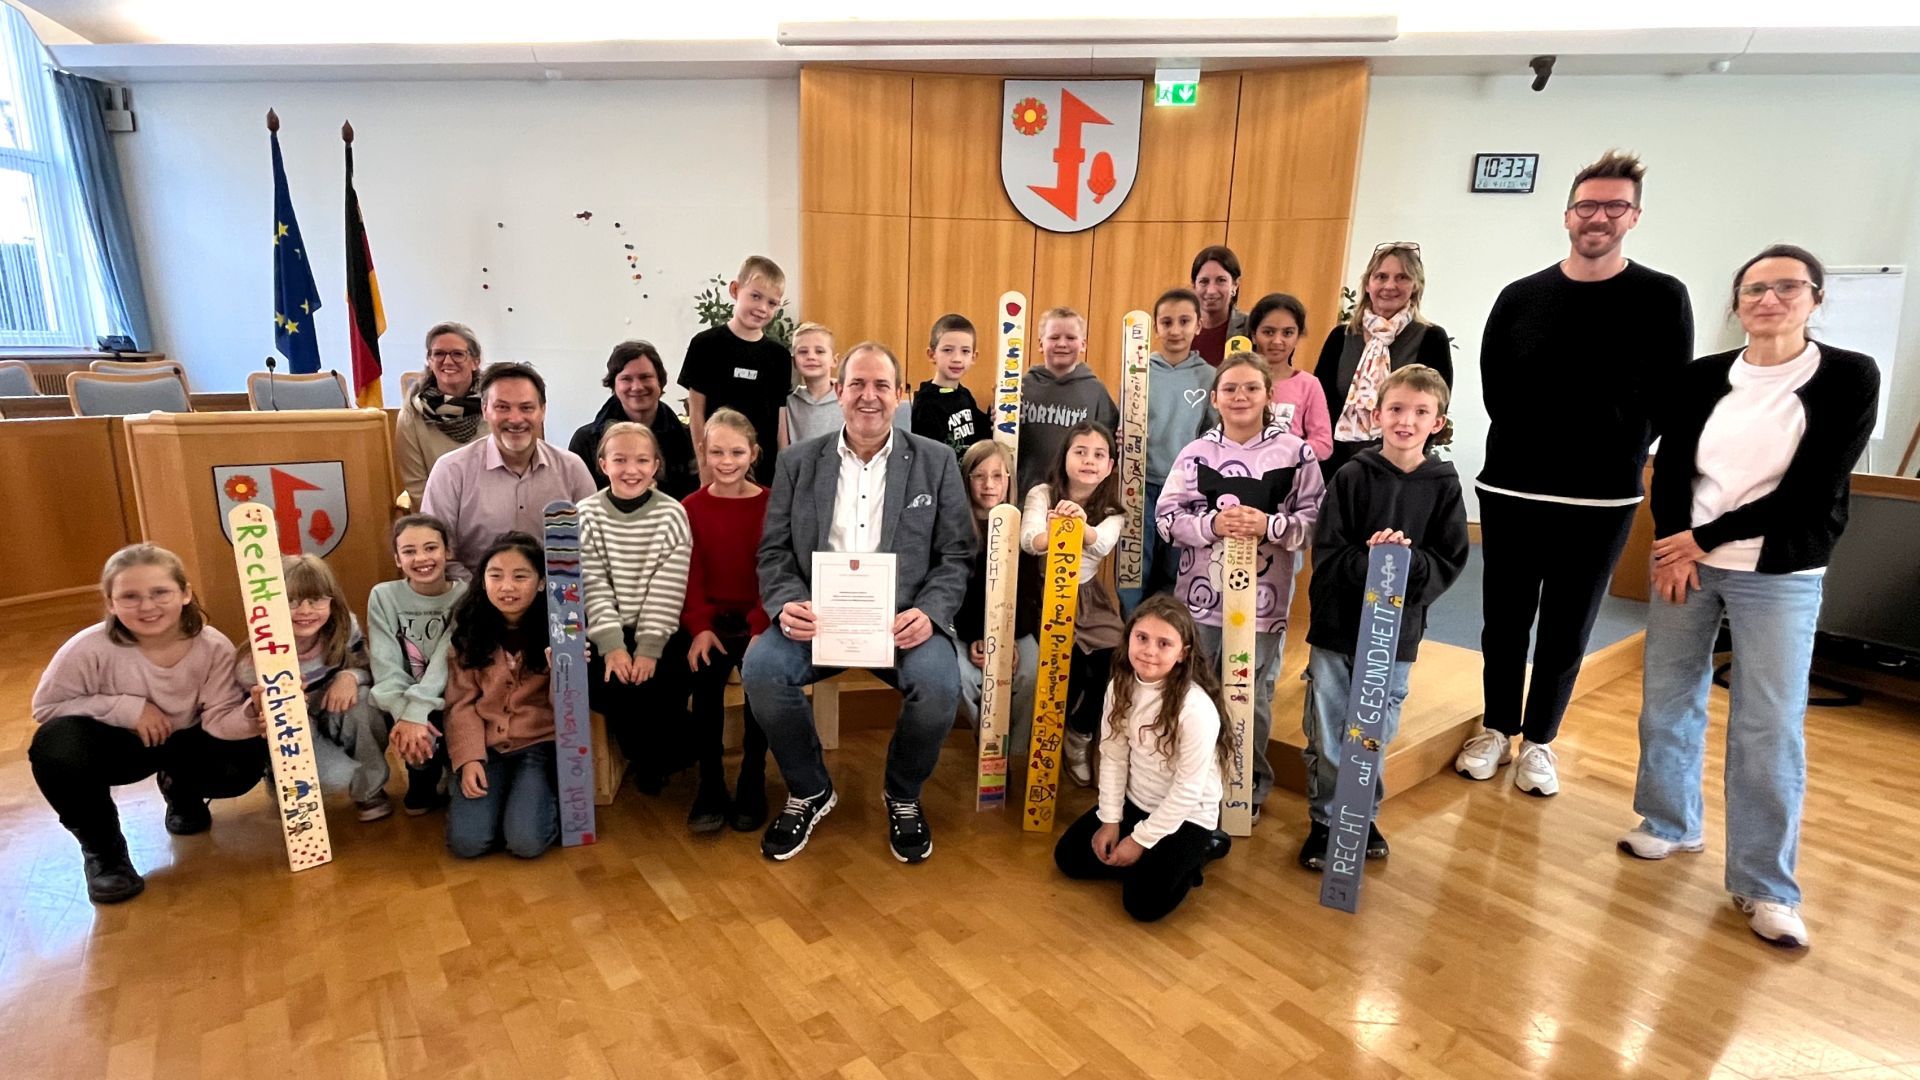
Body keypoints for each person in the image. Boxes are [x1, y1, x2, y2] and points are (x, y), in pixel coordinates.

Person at [1622, 245, 1878, 951]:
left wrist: (1699, 540)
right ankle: (1670, 822)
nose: (1769, 300)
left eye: (1787, 287)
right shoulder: (1703, 376)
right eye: (1755, 289)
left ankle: (1765, 884)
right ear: (1736, 304)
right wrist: (1672, 542)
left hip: (1780, 573)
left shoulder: (1849, 375)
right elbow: (1673, 465)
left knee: (1768, 725)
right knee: (1667, 698)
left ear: (1816, 298)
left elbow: (1814, 486)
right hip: (1687, 561)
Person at [1458, 150, 1696, 796]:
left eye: (1614, 206)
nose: (1599, 217)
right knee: (1504, 621)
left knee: (1568, 627)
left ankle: (1540, 740)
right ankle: (1496, 727)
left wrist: (1619, 447)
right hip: (1512, 486)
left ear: (1634, 217)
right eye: (1587, 205)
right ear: (1568, 215)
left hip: (1601, 496)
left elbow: (1669, 395)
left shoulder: (1662, 297)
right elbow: (1495, 386)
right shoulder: (1521, 297)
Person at [743, 342, 973, 864]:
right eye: (858, 385)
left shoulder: (936, 461)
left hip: (902, 622)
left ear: (900, 393)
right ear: (840, 391)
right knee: (762, 669)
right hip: (818, 621)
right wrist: (787, 603)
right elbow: (774, 550)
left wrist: (930, 613)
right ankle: (810, 788)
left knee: (941, 685)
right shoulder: (798, 462)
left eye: (881, 385)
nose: (869, 396)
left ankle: (902, 792)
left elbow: (956, 553)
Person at [1299, 365, 1468, 869]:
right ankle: (1325, 820)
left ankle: (1360, 815)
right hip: (1338, 628)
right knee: (1329, 727)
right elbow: (1328, 552)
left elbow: (1449, 559)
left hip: (1397, 636)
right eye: (1395, 409)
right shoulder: (1352, 476)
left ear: (1437, 422)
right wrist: (1372, 561)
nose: (1406, 421)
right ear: (1376, 415)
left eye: (1420, 412)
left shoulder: (1443, 485)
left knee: (1373, 728)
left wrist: (1404, 564)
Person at [30, 545, 265, 903]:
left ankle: (181, 790)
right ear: (110, 603)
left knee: (242, 761)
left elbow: (219, 718)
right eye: (130, 596)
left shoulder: (213, 646)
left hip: (189, 742)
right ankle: (105, 855)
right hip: (121, 747)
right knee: (56, 747)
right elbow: (47, 707)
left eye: (160, 592)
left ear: (185, 593)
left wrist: (252, 714)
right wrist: (128, 709)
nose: (147, 606)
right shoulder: (87, 648)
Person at [1157, 351, 1324, 822]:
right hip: (1199, 601)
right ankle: (1191, 782)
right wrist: (1212, 525)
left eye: (1251, 387)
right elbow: (1166, 519)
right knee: (1192, 690)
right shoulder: (1196, 454)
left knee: (1252, 695)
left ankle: (1245, 786)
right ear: (1215, 398)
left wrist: (1269, 525)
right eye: (1230, 388)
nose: (1240, 396)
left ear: (1269, 395)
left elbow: (1315, 523)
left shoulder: (1296, 453)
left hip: (1262, 605)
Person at [1052, 594, 1231, 922]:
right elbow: (1113, 756)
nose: (1149, 650)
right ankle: (1148, 864)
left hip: (1188, 816)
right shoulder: (1119, 686)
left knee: (1143, 905)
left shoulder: (1196, 709)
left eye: (1164, 644)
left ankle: (1199, 852)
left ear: (1183, 653)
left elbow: (1187, 791)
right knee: (1069, 858)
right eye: (1142, 638)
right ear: (1129, 638)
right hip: (1137, 802)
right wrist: (1110, 821)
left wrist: (1138, 841)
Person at [577, 422, 695, 803]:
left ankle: (661, 756)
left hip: (660, 628)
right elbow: (592, 583)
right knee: (607, 681)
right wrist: (613, 645)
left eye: (642, 461)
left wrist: (648, 648)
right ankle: (647, 753)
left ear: (656, 465)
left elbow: (668, 587)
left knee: (664, 679)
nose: (631, 470)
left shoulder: (672, 514)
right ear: (603, 465)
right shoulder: (586, 514)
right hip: (606, 628)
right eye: (620, 460)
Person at [236, 554, 392, 822]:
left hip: (335, 712)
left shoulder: (344, 628)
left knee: (365, 700)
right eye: (292, 601)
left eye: (316, 599)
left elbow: (369, 668)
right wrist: (267, 706)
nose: (306, 610)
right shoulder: (254, 661)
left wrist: (350, 676)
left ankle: (369, 790)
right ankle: (287, 787)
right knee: (334, 775)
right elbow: (252, 716)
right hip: (298, 728)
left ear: (332, 600)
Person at [683, 408, 775, 833]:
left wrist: (761, 626)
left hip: (761, 622)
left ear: (753, 453)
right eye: (717, 451)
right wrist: (700, 627)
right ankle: (711, 783)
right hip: (711, 623)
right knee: (704, 686)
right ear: (703, 451)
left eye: (736, 452)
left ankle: (753, 777)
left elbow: (775, 570)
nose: (726, 461)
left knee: (761, 683)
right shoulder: (690, 508)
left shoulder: (772, 504)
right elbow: (689, 575)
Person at [1021, 422, 1126, 787]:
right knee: (1070, 669)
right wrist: (1051, 534)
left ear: (1109, 466)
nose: (1089, 461)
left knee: (1115, 660)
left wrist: (1080, 526)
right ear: (1064, 457)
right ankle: (1047, 742)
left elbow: (1103, 543)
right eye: (1080, 452)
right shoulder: (1042, 493)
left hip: (1088, 598)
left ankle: (1079, 734)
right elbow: (1029, 539)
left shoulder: (1112, 509)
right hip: (1044, 596)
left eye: (1098, 455)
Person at [421, 361, 597, 579]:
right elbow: (436, 553)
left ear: (542, 411)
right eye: (502, 407)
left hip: (557, 594)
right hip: (474, 593)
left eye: (526, 408)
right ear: (485, 410)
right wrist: (484, 591)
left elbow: (593, 549)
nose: (515, 419)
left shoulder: (572, 469)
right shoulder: (451, 471)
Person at [444, 533, 561, 859]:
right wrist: (469, 759)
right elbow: (461, 704)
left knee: (525, 843)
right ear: (483, 581)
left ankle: (535, 804)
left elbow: (566, 708)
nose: (507, 587)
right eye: (496, 576)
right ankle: (499, 804)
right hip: (487, 749)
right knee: (467, 843)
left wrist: (563, 672)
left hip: (536, 748)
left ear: (541, 583)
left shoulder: (558, 632)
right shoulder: (470, 632)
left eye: (520, 577)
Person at [1315, 243, 1454, 483]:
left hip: (1401, 470)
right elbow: (1319, 405)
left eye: (1402, 277)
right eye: (1381, 277)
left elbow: (1435, 407)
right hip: (1336, 468)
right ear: (1368, 284)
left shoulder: (1431, 338)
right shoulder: (1341, 337)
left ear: (1416, 286)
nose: (1390, 285)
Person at [368, 514, 466, 816]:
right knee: (384, 712)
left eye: (430, 548)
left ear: (448, 551)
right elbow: (385, 664)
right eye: (409, 551)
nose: (421, 558)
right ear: (397, 559)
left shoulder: (466, 595)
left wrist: (417, 711)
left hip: (450, 698)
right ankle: (421, 770)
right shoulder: (383, 596)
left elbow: (445, 660)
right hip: (404, 702)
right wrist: (406, 717)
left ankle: (449, 767)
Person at [1127, 287, 1214, 611]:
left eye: (1184, 321)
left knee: (1175, 566)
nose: (1175, 330)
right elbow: (1125, 422)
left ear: (1198, 325)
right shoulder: (1138, 371)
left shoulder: (1210, 376)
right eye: (1167, 322)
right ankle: (1132, 627)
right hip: (1139, 485)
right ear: (1156, 327)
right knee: (1135, 567)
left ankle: (1168, 630)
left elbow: (1213, 434)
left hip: (1186, 490)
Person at [954, 440, 1039, 751]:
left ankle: (1013, 752)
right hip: (966, 631)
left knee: (1031, 672)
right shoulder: (955, 529)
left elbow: (1028, 594)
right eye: (979, 476)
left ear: (1009, 480)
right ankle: (988, 743)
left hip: (1014, 630)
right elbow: (956, 595)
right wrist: (978, 638)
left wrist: (1007, 640)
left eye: (997, 476)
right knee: (962, 676)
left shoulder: (1021, 528)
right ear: (967, 480)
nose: (989, 485)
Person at [681, 255, 791, 485]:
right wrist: (704, 465)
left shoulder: (779, 356)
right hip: (718, 466)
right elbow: (696, 412)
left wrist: (784, 468)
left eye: (772, 303)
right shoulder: (705, 344)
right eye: (755, 296)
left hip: (764, 473)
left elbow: (780, 419)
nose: (762, 308)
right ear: (735, 290)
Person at [567, 340, 699, 500]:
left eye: (645, 377)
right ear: (614, 385)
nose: (637, 387)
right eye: (626, 379)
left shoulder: (688, 439)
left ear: (660, 381)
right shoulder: (586, 442)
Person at [1018, 307, 1119, 496]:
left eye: (1071, 338)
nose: (1062, 344)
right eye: (1054, 337)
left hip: (1077, 497)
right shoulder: (1021, 388)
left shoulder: (1096, 392)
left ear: (1083, 344)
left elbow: (1110, 448)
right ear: (1040, 343)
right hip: (1024, 492)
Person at [394, 322, 489, 506]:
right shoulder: (412, 414)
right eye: (438, 354)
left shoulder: (495, 405)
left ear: (475, 362)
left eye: (458, 354)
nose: (447, 361)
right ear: (429, 361)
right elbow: (417, 485)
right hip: (439, 512)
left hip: (497, 509)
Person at [1248, 293, 1332, 461]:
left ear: (1297, 337)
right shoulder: (1236, 380)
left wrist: (1287, 453)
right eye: (1268, 332)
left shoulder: (1309, 385)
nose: (1277, 341)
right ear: (1254, 335)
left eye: (1287, 333)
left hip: (1289, 472)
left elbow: (1324, 444)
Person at [910, 313, 990, 457]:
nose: (957, 359)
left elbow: (983, 435)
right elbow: (927, 455)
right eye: (947, 350)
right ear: (931, 354)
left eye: (965, 351)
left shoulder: (964, 394)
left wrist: (996, 410)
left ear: (973, 357)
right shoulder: (926, 403)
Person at [781, 322, 842, 447]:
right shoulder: (788, 403)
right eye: (803, 352)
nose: (811, 357)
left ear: (834, 360)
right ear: (794, 361)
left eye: (819, 351)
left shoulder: (848, 399)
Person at [1189, 245, 1249, 366]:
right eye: (1204, 281)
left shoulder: (1250, 327)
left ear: (1235, 285)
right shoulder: (1182, 326)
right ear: (1194, 285)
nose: (1211, 290)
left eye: (1221, 280)